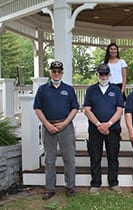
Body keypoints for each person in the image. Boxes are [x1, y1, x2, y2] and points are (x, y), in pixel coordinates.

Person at [33, 60, 79, 200]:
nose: (56, 73)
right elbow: (37, 108)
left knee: (69, 158)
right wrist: (47, 124)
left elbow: (75, 108)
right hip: (49, 127)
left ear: (62, 73)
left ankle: (70, 187)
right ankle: (50, 188)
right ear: (50, 72)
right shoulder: (42, 89)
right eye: (54, 71)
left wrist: (65, 123)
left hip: (66, 127)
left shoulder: (69, 89)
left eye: (59, 71)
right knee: (49, 160)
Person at [83, 63, 124, 194]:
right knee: (95, 157)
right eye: (101, 74)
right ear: (97, 74)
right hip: (95, 130)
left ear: (110, 75)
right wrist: (99, 125)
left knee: (113, 156)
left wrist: (109, 124)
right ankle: (95, 183)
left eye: (106, 74)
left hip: (113, 129)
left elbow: (119, 110)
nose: (103, 76)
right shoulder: (91, 90)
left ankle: (114, 182)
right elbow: (87, 110)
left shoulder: (116, 90)